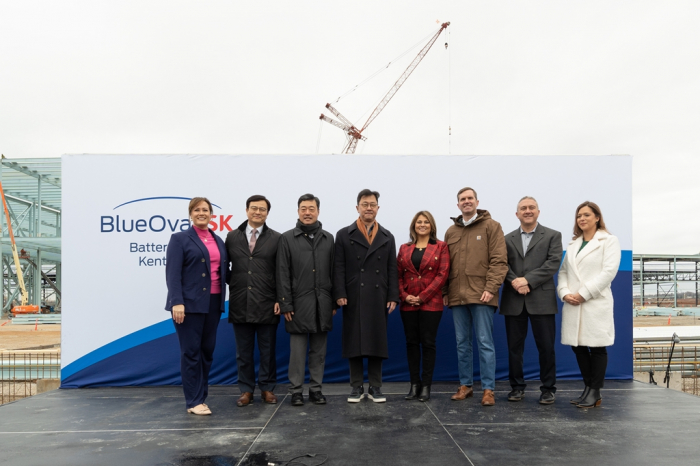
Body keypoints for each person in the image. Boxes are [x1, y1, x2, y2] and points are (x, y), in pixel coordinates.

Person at [443, 187, 507, 406]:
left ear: (477, 202)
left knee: (485, 342)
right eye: (462, 199)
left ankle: (488, 389)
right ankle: (466, 386)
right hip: (457, 296)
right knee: (462, 343)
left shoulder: (492, 226)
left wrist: (490, 287)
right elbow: (445, 266)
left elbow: (499, 260)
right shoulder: (451, 231)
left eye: (470, 198)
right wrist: (445, 292)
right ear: (458, 205)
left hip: (483, 295)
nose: (466, 201)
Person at [334, 189, 399, 403]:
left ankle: (375, 387)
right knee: (354, 341)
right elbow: (339, 267)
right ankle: (356, 386)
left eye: (372, 204)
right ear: (357, 207)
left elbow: (391, 269)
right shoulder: (344, 234)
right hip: (353, 294)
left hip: (379, 295)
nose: (368, 208)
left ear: (378, 208)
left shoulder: (388, 236)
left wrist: (393, 295)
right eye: (364, 204)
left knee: (377, 341)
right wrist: (340, 292)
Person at [165, 197, 227, 415]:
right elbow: (172, 274)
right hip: (188, 305)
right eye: (197, 210)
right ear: (190, 214)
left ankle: (201, 397)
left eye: (206, 210)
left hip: (214, 303)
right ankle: (193, 401)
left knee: (207, 352)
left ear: (212, 214)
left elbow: (224, 272)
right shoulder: (180, 239)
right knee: (191, 352)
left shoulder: (218, 239)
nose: (202, 213)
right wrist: (177, 302)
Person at [557, 201, 620, 408]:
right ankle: (588, 387)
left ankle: (595, 391)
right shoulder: (573, 244)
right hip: (573, 303)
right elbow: (564, 272)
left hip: (594, 303)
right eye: (578, 216)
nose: (581, 219)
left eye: (586, 215)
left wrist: (584, 294)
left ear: (597, 217)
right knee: (578, 346)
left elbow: (608, 272)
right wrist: (565, 293)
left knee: (597, 347)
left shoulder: (608, 241)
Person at [500, 196, 562, 404]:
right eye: (523, 208)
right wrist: (516, 282)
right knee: (514, 349)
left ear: (538, 211)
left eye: (531, 207)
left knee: (546, 347)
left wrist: (527, 280)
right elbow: (502, 265)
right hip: (513, 299)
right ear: (516, 214)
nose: (527, 211)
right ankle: (517, 387)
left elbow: (552, 263)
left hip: (541, 300)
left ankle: (548, 389)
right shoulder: (506, 239)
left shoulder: (553, 235)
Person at [276, 194, 336, 406]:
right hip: (297, 305)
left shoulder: (329, 239)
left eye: (311, 208)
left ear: (318, 211)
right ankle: (296, 391)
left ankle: (316, 390)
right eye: (303, 208)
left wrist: (334, 302)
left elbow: (334, 272)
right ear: (298, 211)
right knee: (297, 353)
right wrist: (285, 303)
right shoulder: (287, 238)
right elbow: (282, 273)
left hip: (323, 304)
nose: (307, 212)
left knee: (319, 352)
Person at [225, 195, 281, 407]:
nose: (258, 212)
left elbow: (281, 272)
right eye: (254, 208)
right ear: (247, 210)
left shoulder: (277, 238)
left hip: (268, 302)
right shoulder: (232, 237)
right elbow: (224, 269)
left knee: (268, 351)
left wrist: (279, 298)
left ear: (267, 213)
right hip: (240, 302)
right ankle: (246, 390)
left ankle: (267, 388)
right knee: (243, 352)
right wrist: (237, 283)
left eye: (262, 209)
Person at [397, 211, 450, 402]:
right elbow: (398, 276)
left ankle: (426, 386)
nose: (422, 224)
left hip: (431, 303)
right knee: (411, 343)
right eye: (419, 222)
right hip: (408, 303)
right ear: (414, 226)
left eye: (426, 222)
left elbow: (442, 275)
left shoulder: (441, 247)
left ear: (431, 225)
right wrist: (405, 296)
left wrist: (422, 297)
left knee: (428, 343)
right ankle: (414, 385)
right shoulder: (404, 248)